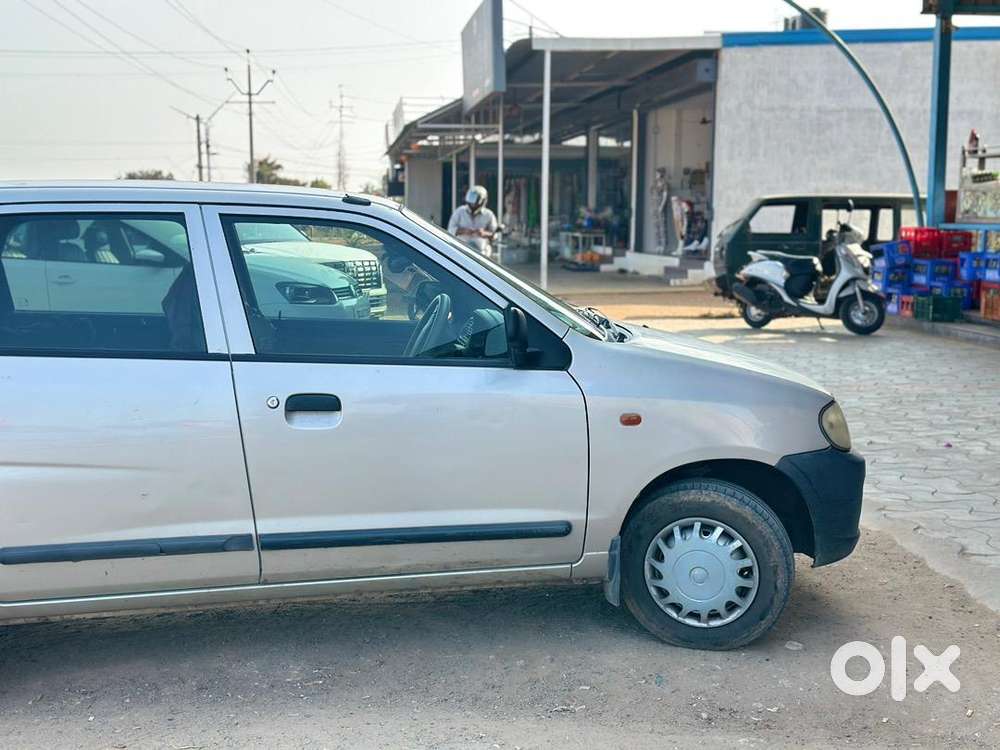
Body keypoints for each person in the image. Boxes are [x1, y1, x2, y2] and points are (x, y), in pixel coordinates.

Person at [448, 185, 498, 259]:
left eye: (475, 203)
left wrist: (484, 233)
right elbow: (450, 230)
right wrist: (463, 231)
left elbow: (495, 235)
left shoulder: (489, 214)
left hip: (482, 253)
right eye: (471, 202)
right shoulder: (460, 211)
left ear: (482, 201)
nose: (472, 205)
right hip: (461, 251)